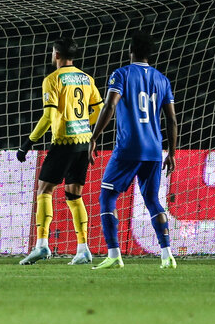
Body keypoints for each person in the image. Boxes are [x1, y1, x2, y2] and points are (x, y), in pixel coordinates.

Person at [87, 32, 178, 269]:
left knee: (107, 196)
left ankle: (114, 254)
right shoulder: (162, 80)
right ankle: (167, 254)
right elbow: (171, 120)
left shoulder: (122, 74)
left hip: (128, 148)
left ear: (131, 51)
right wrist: (172, 153)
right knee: (152, 200)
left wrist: (94, 137)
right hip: (154, 150)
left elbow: (110, 104)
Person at [16, 38, 102, 266]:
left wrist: (28, 142)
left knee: (44, 190)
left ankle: (42, 245)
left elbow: (48, 116)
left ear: (56, 55)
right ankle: (83, 249)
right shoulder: (87, 78)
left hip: (64, 142)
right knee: (74, 195)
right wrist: (84, 122)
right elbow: (100, 109)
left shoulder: (52, 80)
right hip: (84, 141)